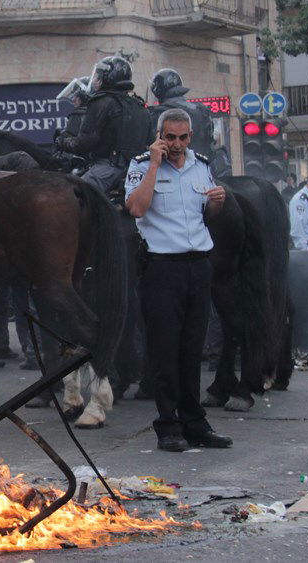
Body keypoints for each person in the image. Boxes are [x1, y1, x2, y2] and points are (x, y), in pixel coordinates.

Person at [124, 108, 232, 452]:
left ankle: (195, 423)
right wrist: (155, 165)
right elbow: (137, 209)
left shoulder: (201, 165)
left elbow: (205, 216)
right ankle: (167, 425)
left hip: (198, 265)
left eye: (183, 137)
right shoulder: (141, 165)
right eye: (170, 137)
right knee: (164, 350)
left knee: (191, 349)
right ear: (159, 136)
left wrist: (219, 202)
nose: (177, 144)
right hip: (161, 267)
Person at [57, 56, 151, 193]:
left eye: (98, 76)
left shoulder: (101, 102)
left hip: (108, 169)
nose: (95, 80)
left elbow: (83, 144)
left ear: (107, 78)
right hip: (138, 169)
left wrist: (62, 141)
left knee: (71, 196)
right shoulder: (140, 105)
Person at [148, 69, 229, 178]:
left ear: (158, 90)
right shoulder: (202, 110)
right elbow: (211, 142)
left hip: (172, 172)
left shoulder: (156, 113)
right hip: (207, 171)